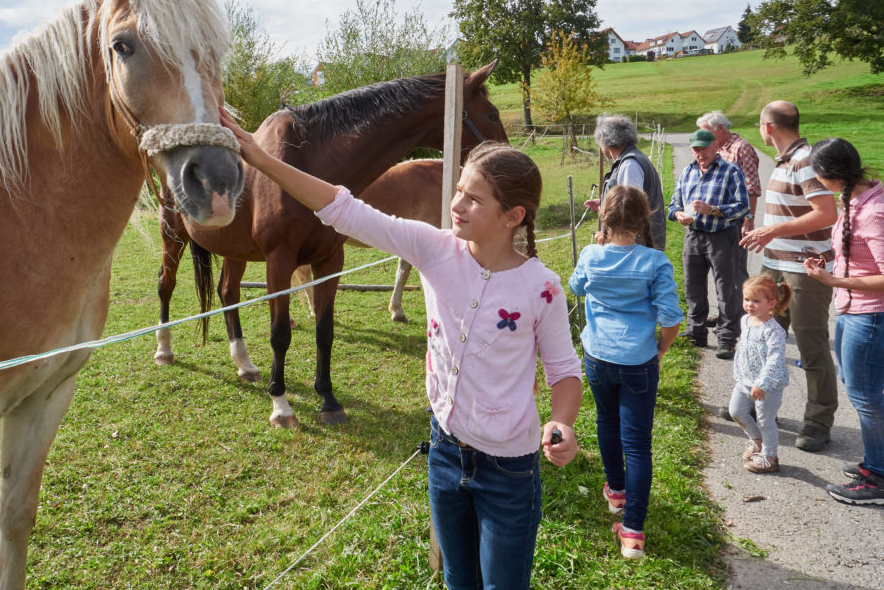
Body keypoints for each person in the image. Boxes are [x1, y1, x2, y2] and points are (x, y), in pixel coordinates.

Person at [217, 107, 584, 588]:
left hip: (510, 470)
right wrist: (258, 157)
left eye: (473, 200)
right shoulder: (433, 249)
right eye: (458, 190)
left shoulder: (544, 288)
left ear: (513, 216)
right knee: (457, 578)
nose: (456, 204)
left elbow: (563, 370)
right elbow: (342, 207)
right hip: (445, 453)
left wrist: (562, 420)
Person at [569, 186, 683, 559]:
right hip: (638, 360)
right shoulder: (655, 262)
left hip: (598, 355)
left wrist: (598, 249)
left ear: (604, 219)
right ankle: (633, 531)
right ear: (644, 217)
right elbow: (670, 318)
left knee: (606, 421)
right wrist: (661, 350)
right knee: (637, 444)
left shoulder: (591, 254)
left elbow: (576, 287)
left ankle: (616, 493)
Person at [740, 101, 838, 452]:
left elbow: (827, 213)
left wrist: (773, 229)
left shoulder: (806, 161)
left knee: (812, 347)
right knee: (765, 340)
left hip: (805, 271)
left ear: (768, 127)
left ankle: (818, 422)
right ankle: (759, 405)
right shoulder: (785, 161)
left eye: (758, 123)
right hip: (775, 266)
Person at [802, 137, 884, 504]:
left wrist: (833, 280)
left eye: (817, 175)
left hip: (870, 314)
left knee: (866, 397)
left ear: (829, 175)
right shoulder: (852, 198)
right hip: (852, 307)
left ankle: (879, 476)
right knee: (859, 387)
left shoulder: (873, 211)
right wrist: (828, 257)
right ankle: (875, 462)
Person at [668, 129, 749, 359]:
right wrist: (678, 215)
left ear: (715, 146)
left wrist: (713, 211)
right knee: (693, 286)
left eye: (704, 148)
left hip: (722, 236)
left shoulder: (731, 171)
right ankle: (696, 331)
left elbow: (743, 206)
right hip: (693, 236)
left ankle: (726, 338)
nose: (700, 153)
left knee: (726, 289)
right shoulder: (688, 172)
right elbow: (673, 204)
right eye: (696, 149)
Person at [729, 274, 792, 474]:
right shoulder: (745, 320)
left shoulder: (774, 331)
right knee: (736, 411)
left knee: (766, 420)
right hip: (745, 379)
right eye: (747, 299)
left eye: (756, 301)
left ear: (771, 303)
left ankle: (770, 456)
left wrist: (762, 383)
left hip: (767, 386)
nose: (750, 305)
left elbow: (775, 359)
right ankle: (756, 440)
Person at [584, 114, 666, 250]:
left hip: (635, 247)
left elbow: (630, 208)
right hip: (638, 244)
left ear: (605, 140)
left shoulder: (629, 164)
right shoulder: (631, 159)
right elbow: (626, 199)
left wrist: (609, 236)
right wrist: (605, 202)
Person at [697, 111, 761, 237]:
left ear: (720, 128)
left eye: (706, 132)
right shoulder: (715, 148)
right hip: (713, 221)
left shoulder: (741, 147)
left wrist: (749, 218)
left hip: (734, 220)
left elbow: (751, 186)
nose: (703, 137)